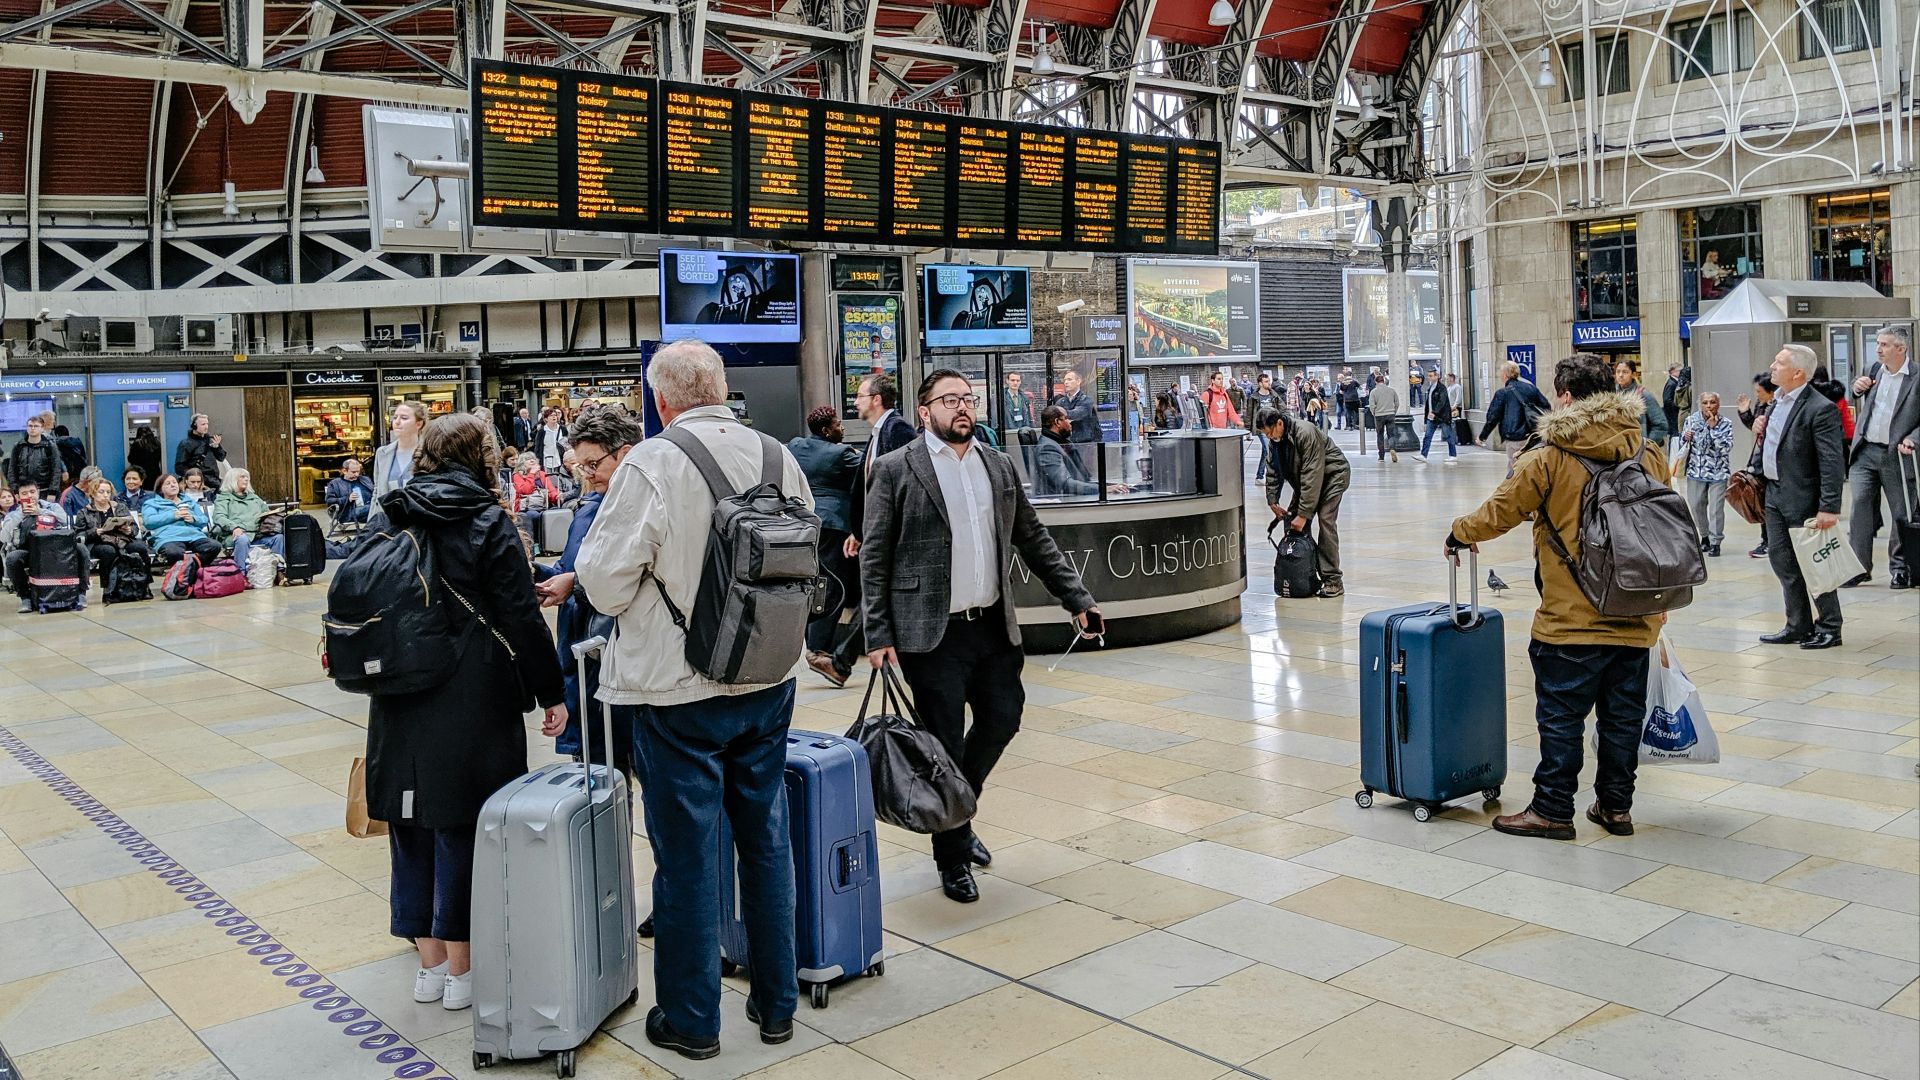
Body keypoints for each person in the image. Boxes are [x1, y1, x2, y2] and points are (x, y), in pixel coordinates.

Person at [573, 340, 811, 1059]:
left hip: (680, 692)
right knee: (767, 844)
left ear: (662, 400)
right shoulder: (778, 455)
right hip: (769, 679)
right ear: (722, 388)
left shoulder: (653, 461)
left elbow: (605, 581)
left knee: (685, 859)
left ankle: (691, 1020)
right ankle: (776, 1008)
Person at [861, 368, 1099, 906]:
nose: (962, 407)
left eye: (968, 399)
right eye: (950, 400)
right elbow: (874, 556)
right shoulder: (898, 469)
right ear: (925, 411)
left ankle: (956, 811)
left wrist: (1077, 598)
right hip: (931, 634)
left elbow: (1033, 537)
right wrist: (877, 632)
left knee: (1003, 717)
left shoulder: (996, 464)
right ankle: (952, 856)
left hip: (992, 626)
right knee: (942, 744)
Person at [363, 412, 565, 1015]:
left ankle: (427, 967)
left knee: (410, 819)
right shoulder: (487, 522)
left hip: (398, 690)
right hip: (473, 691)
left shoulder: (390, 512)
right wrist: (550, 691)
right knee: (465, 824)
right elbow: (520, 617)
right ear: (482, 457)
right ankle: (464, 971)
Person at [1446, 352, 1668, 841]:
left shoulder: (1550, 454)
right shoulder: (1646, 450)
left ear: (1565, 397)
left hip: (1572, 618)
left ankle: (1551, 809)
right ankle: (1615, 808)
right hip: (1635, 614)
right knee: (1622, 719)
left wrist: (1459, 532)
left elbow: (1501, 511)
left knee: (1561, 717)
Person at [535, 405, 636, 785]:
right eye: (582, 466)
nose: (588, 474)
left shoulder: (639, 505)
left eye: (594, 464)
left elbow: (633, 572)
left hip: (619, 657)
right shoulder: (589, 504)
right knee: (600, 780)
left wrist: (572, 582)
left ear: (623, 452)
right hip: (584, 651)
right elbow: (570, 566)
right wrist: (540, 576)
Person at [1758, 344, 1847, 650]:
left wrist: (1829, 507)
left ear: (1797, 373)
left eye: (1779, 363)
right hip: (1774, 492)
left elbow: (1832, 461)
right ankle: (1798, 624)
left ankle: (1830, 626)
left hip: (1804, 496)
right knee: (1782, 561)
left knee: (1814, 564)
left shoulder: (1819, 408)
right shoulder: (1777, 401)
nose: (1772, 366)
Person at [788, 406, 864, 688]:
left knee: (816, 581)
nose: (841, 428)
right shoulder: (843, 454)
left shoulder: (796, 446)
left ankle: (818, 645)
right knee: (831, 586)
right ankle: (817, 649)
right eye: (838, 424)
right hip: (834, 525)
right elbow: (871, 470)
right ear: (826, 430)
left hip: (805, 521)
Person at [1845, 325, 1917, 590]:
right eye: (1877, 343)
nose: (1878, 349)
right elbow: (1856, 395)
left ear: (1901, 348)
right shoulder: (1872, 370)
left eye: (1884, 345)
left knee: (1901, 512)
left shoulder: (1917, 377)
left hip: (1896, 454)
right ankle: (1858, 568)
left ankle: (1900, 569)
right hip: (1866, 451)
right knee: (1860, 507)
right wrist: (1856, 388)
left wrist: (1914, 440)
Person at [1258, 408, 1350, 597]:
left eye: (1269, 432)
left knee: (1325, 520)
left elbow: (1312, 474)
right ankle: (1302, 576)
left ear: (1279, 424)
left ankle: (1333, 580)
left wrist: (1303, 514)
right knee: (1293, 525)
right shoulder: (1275, 441)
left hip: (1332, 477)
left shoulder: (1305, 432)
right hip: (1307, 483)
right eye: (1265, 434)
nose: (1268, 437)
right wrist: (1272, 500)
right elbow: (1273, 470)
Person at [3, 483, 75, 612]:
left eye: (32, 492)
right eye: (24, 494)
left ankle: (80, 594)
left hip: (55, 549)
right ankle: (25, 598)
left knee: (81, 550)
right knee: (13, 558)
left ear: (38, 492)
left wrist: (41, 512)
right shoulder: (13, 514)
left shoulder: (53, 507)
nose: (29, 496)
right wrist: (21, 515)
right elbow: (3, 538)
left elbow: (67, 521)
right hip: (28, 550)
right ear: (18, 497)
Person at [1679, 392, 1734, 557]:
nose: (1709, 406)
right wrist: (1685, 437)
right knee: (1696, 505)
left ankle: (1716, 541)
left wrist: (1713, 430)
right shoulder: (1691, 420)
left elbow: (1726, 447)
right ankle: (1704, 536)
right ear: (1699, 404)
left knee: (1716, 509)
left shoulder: (1725, 423)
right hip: (1696, 470)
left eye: (1712, 402)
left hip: (1718, 472)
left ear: (1718, 404)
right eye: (1705, 402)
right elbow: (1684, 443)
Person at [1033, 405, 1127, 498]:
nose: (1070, 422)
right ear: (1057, 422)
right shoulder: (1047, 448)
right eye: (1066, 418)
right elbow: (1065, 484)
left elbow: (1082, 478)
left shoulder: (1061, 442)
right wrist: (1103, 489)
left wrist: (1109, 486)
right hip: (1064, 501)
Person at [1478, 363, 1552, 477]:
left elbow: (1493, 417)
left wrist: (1482, 436)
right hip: (1532, 436)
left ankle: (1520, 492)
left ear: (1505, 375)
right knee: (1530, 466)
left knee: (1516, 470)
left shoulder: (1502, 393)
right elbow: (1546, 407)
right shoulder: (1531, 388)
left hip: (1514, 437)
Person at [76, 477, 149, 587]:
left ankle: (144, 585)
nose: (105, 495)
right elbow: (78, 534)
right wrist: (95, 532)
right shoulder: (84, 512)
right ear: (93, 493)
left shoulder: (120, 507)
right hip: (98, 542)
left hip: (122, 539)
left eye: (108, 492)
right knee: (108, 551)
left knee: (140, 548)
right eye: (101, 492)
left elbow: (134, 528)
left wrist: (129, 530)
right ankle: (108, 588)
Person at [1736, 372, 1777, 560]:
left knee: (1770, 505)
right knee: (1761, 503)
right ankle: (1766, 540)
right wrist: (1745, 413)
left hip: (1774, 463)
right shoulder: (1762, 405)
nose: (1757, 395)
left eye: (1759, 391)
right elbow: (1756, 428)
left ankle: (1772, 542)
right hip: (1760, 462)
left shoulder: (1779, 407)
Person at [140, 474, 222, 566]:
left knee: (214, 546)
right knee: (174, 552)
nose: (173, 485)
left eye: (174, 482)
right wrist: (173, 515)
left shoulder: (189, 501)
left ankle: (190, 568)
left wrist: (193, 519)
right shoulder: (152, 503)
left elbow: (203, 520)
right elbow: (149, 522)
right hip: (168, 537)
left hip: (194, 536)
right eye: (168, 483)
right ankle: (187, 571)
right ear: (160, 489)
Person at [212, 468, 282, 570]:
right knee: (242, 539)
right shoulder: (223, 498)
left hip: (257, 535)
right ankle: (241, 573)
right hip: (234, 535)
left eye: (247, 477)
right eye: (242, 477)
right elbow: (219, 517)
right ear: (232, 479)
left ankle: (277, 571)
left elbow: (266, 513)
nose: (246, 479)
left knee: (278, 538)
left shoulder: (254, 498)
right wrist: (234, 527)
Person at [374, 400, 428, 500]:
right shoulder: (382, 453)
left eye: (404, 418)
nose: (397, 422)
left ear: (419, 424)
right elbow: (377, 491)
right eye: (395, 417)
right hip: (387, 514)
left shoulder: (429, 453)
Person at [1613, 359, 1669, 446]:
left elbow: (1661, 425)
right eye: (1618, 372)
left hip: (1637, 450)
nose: (1620, 375)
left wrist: (1647, 445)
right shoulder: (1611, 395)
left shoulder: (1643, 395)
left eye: (1625, 372)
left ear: (1633, 374)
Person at [509, 453, 560, 541]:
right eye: (528, 459)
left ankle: (550, 542)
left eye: (533, 458)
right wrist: (531, 474)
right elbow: (526, 490)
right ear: (522, 463)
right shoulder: (517, 475)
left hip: (543, 506)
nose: (532, 460)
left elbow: (551, 490)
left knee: (556, 512)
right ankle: (536, 542)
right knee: (533, 515)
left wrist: (558, 497)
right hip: (525, 509)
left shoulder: (542, 474)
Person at [173, 414, 226, 492]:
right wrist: (194, 477)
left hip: (214, 481)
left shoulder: (209, 440)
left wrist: (217, 447)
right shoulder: (186, 444)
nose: (206, 427)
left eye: (207, 424)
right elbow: (179, 467)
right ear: (194, 426)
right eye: (203, 424)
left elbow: (221, 457)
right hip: (197, 484)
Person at [9, 415, 60, 494]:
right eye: (30, 426)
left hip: (44, 490)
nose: (32, 428)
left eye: (36, 426)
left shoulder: (49, 446)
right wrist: (14, 490)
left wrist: (53, 491)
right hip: (23, 490)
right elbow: (12, 470)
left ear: (42, 428)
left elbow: (56, 470)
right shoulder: (18, 446)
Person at [1418, 369, 1458, 463]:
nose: (1429, 378)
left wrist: (1435, 412)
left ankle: (1453, 455)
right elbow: (1428, 403)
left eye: (1431, 376)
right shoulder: (1430, 387)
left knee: (1448, 435)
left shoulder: (1442, 388)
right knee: (1427, 436)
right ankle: (1423, 455)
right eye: (1428, 376)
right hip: (1432, 417)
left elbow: (1442, 402)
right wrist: (1427, 416)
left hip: (1442, 416)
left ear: (1437, 376)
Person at [1247, 374, 1282, 479]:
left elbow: (1282, 407)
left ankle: (1259, 475)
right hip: (1261, 428)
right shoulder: (1254, 397)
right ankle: (1274, 474)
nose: (1268, 383)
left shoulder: (1273, 395)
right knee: (1268, 450)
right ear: (1260, 383)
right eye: (1266, 381)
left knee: (1266, 451)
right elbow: (1249, 413)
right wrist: (1248, 428)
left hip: (1273, 427)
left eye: (1268, 381)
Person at [1053, 368, 1100, 443]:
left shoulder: (1086, 400)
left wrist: (1060, 413)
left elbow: (1077, 414)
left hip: (1086, 443)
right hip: (1066, 442)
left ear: (1078, 381)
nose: (1066, 382)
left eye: (1069, 379)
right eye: (1065, 380)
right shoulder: (1060, 402)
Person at [325, 458, 375, 526]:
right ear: (345, 471)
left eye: (358, 472)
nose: (357, 475)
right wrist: (347, 499)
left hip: (368, 510)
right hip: (349, 512)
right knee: (376, 509)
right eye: (354, 472)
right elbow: (329, 501)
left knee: (381, 511)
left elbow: (375, 491)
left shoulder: (365, 479)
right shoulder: (335, 483)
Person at [1369, 376, 1402, 462]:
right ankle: (1392, 448)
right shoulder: (1392, 391)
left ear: (1376, 382)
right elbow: (1397, 403)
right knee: (1391, 434)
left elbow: (1372, 405)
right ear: (1384, 381)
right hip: (1390, 414)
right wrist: (1394, 411)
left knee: (1380, 435)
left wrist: (1374, 413)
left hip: (1379, 415)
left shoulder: (1373, 392)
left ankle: (1381, 456)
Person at [532, 407, 569, 475]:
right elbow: (538, 447)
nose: (554, 417)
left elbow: (567, 443)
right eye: (551, 415)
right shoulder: (542, 431)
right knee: (548, 479)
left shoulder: (562, 429)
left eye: (555, 415)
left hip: (560, 459)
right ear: (546, 419)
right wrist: (538, 461)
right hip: (547, 460)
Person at [1661, 365, 1685, 443]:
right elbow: (1667, 400)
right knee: (1675, 436)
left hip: (1673, 415)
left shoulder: (1674, 382)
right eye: (1679, 371)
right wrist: (1677, 406)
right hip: (1673, 416)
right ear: (1673, 372)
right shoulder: (1671, 384)